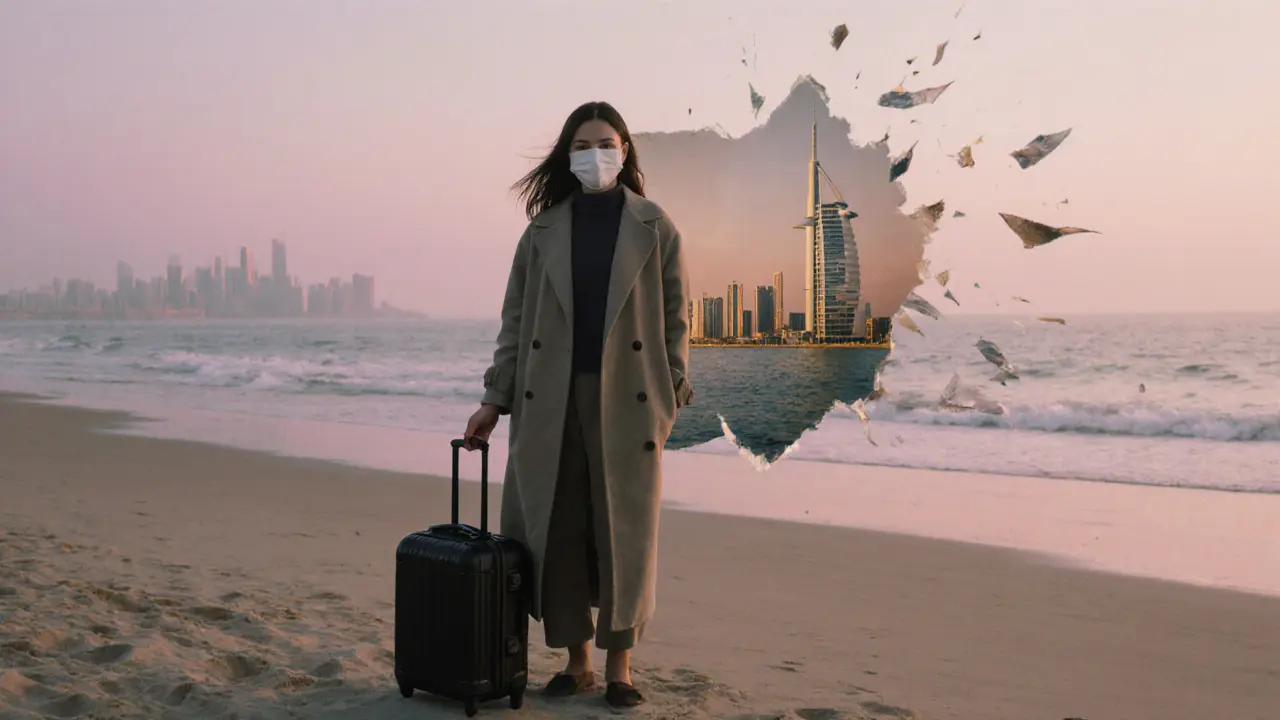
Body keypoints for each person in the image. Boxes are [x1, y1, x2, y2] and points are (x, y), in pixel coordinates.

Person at [462, 101, 692, 709]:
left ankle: (621, 666)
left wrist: (670, 393)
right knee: (555, 524)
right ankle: (576, 661)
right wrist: (494, 398)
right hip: (549, 397)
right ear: (569, 155)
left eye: (606, 143)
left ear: (626, 151)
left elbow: (677, 322)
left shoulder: (655, 226)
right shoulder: (541, 231)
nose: (596, 155)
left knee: (622, 527)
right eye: (584, 145)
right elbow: (515, 323)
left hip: (629, 398)